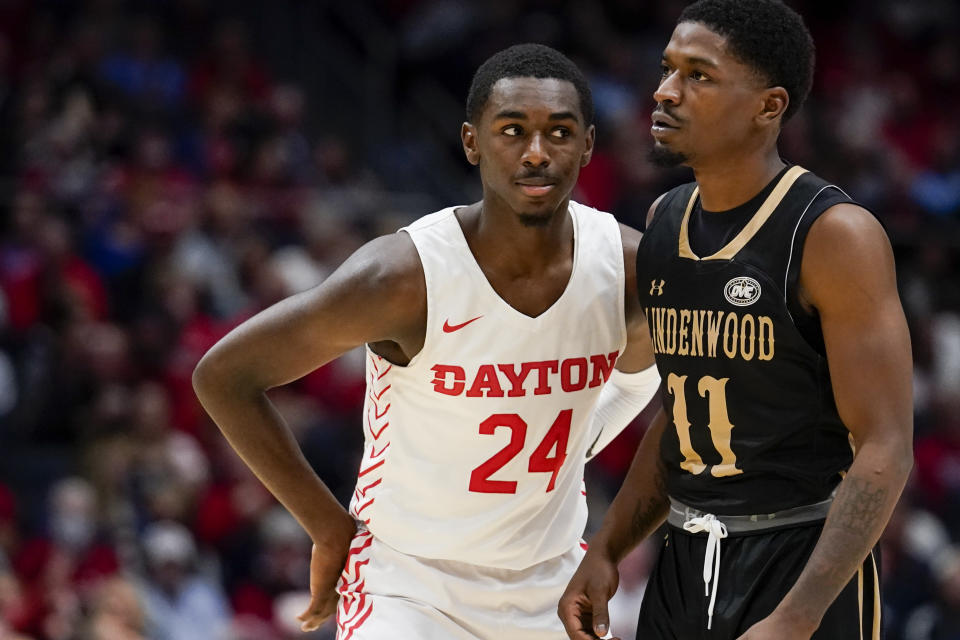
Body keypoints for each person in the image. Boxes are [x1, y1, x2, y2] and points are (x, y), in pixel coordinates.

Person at [192, 43, 661, 640]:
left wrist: (600, 507)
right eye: (512, 131)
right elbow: (224, 377)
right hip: (406, 584)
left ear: (588, 145)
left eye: (559, 132)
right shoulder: (402, 277)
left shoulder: (629, 268)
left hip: (552, 582)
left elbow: (663, 387)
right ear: (471, 141)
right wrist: (328, 527)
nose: (537, 153)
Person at [558, 1, 914, 639]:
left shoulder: (835, 235)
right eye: (668, 69)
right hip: (682, 558)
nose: (665, 91)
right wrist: (608, 548)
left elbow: (886, 445)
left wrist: (799, 616)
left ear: (768, 106)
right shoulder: (665, 221)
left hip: (799, 556)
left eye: (699, 75)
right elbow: (682, 413)